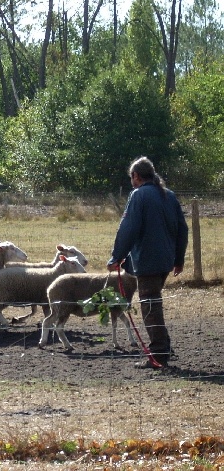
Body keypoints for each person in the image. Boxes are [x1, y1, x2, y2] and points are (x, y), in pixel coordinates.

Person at [107, 156, 188, 369]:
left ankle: (158, 354)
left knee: (149, 306)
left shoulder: (138, 195)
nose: (131, 180)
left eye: (131, 177)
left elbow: (128, 228)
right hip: (165, 261)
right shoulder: (169, 196)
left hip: (148, 262)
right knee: (154, 304)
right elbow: (183, 229)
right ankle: (164, 346)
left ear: (136, 176)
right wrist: (178, 259)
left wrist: (116, 257)